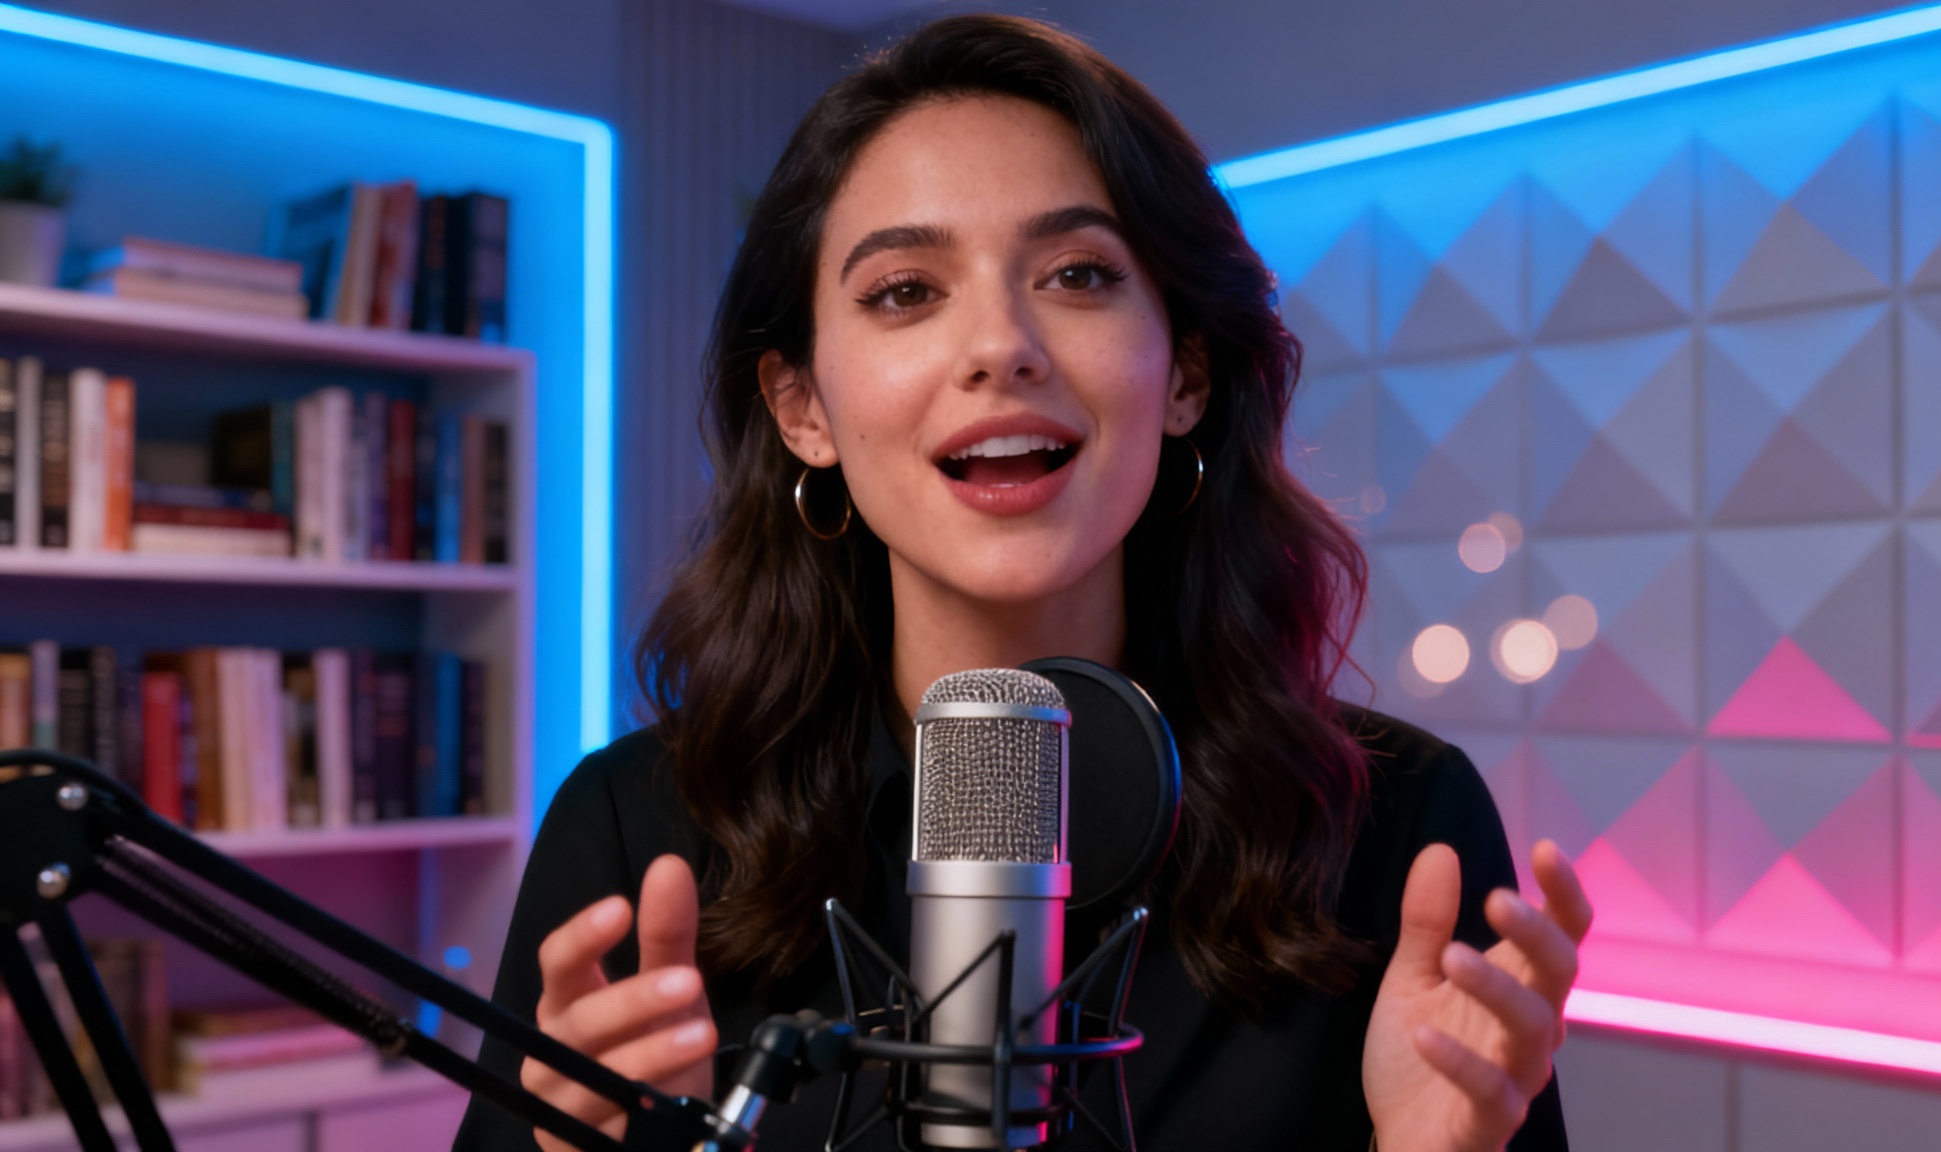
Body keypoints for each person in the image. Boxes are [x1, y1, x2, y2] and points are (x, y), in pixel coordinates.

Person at [453, 14, 1590, 1152]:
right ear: (802, 408)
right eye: (905, 290)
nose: (1000, 345)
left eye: (1078, 275)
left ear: (1186, 374)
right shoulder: (638, 831)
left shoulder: (1398, 827)